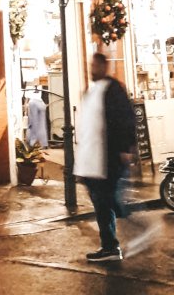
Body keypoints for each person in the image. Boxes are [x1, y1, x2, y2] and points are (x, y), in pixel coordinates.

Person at [74, 52, 136, 263]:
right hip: (91, 160)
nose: (91, 69)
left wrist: (125, 148)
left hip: (105, 159)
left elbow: (125, 119)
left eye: (95, 65)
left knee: (108, 201)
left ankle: (129, 233)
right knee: (102, 202)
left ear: (103, 66)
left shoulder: (112, 89)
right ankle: (110, 245)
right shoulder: (92, 91)